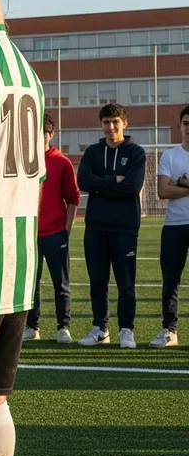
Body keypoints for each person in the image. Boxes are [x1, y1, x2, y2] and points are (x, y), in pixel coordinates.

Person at [77, 103, 145, 348]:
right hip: (95, 227)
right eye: (106, 122)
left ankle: (126, 329)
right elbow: (83, 181)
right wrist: (113, 180)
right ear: (101, 124)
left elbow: (132, 188)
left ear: (124, 124)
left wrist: (100, 185)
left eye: (115, 122)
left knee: (125, 282)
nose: (110, 127)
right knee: (97, 281)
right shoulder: (93, 152)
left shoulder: (136, 152)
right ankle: (100, 328)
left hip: (125, 228)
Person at [23, 113, 80, 344]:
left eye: (44, 134)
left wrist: (66, 229)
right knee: (30, 284)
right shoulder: (24, 161)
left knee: (61, 284)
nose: (40, 138)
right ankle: (31, 327)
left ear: (51, 134)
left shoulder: (62, 162)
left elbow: (73, 198)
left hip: (56, 234)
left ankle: (63, 327)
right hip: (29, 234)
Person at [149, 105, 189, 348]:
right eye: (186, 123)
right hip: (174, 225)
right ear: (181, 126)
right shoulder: (170, 155)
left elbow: (171, 187)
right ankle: (169, 330)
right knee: (171, 280)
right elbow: (163, 191)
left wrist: (182, 183)